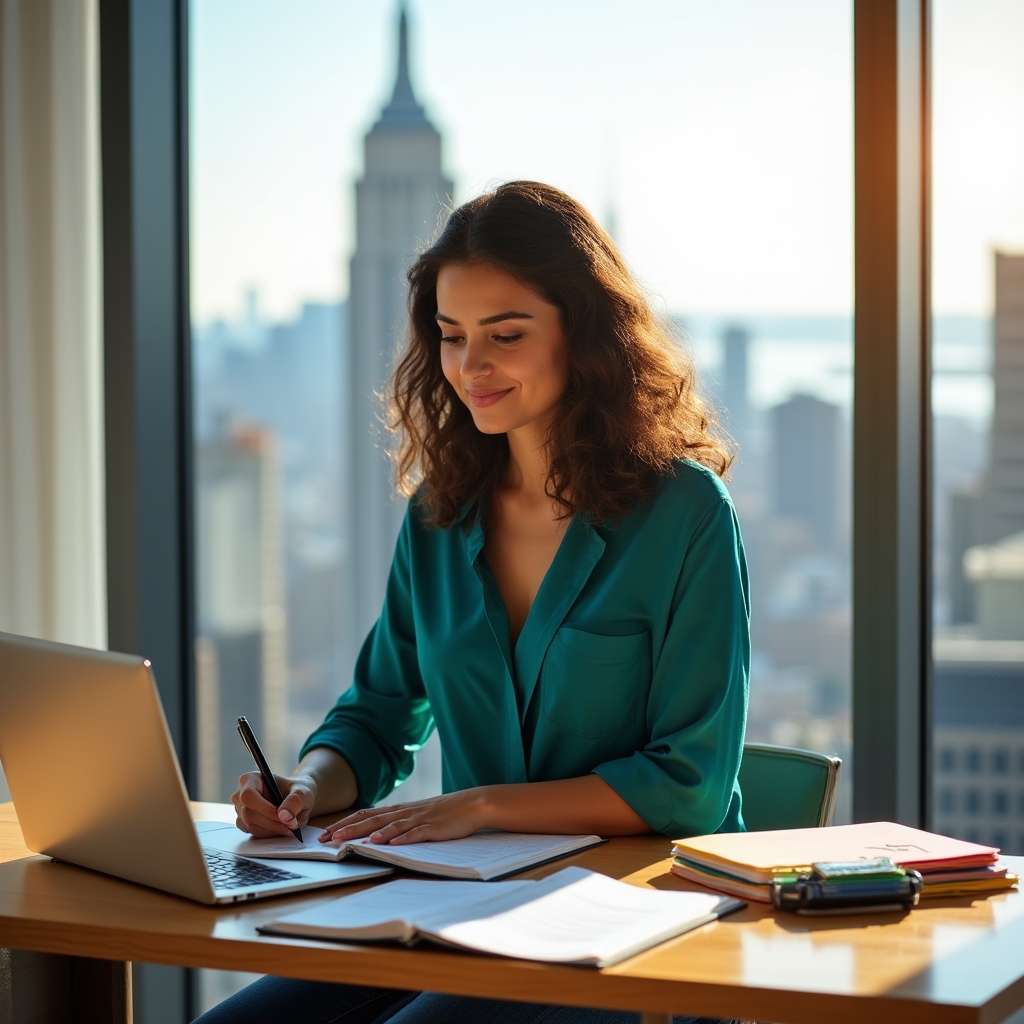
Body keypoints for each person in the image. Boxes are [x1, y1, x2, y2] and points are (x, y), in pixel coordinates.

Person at [196, 181, 749, 1024]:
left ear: (583, 332)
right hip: (461, 904)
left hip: (639, 922)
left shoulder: (685, 514)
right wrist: (306, 786)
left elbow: (691, 785)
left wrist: (481, 805)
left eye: (506, 335)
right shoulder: (440, 512)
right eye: (452, 337)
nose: (470, 367)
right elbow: (379, 714)